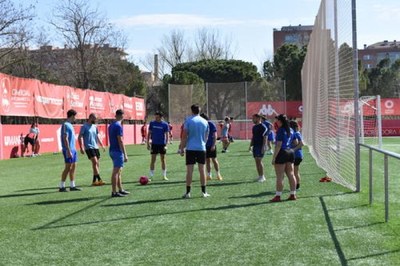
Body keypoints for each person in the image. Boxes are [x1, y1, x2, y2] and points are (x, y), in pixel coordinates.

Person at [179, 104, 210, 198]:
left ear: (191, 111)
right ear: (199, 111)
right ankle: (204, 192)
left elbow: (184, 136)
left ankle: (188, 193)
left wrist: (182, 148)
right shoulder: (205, 121)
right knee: (202, 170)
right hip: (201, 148)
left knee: (189, 171)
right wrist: (202, 143)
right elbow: (206, 136)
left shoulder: (188, 120)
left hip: (191, 148)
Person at [270, 114, 296, 202]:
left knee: (280, 176)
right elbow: (295, 142)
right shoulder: (291, 129)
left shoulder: (280, 130)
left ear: (280, 121)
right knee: (291, 174)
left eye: (277, 120)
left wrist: (274, 158)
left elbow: (279, 145)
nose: (276, 121)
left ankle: (278, 196)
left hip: (282, 153)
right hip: (290, 152)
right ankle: (293, 194)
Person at [78, 113, 106, 186]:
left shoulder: (94, 126)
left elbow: (97, 136)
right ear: (90, 117)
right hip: (89, 147)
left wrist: (102, 144)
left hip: (95, 147)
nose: (95, 120)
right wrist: (81, 147)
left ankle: (94, 180)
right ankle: (99, 179)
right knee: (95, 162)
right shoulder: (84, 126)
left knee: (97, 163)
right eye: (94, 118)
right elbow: (80, 137)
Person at [108, 109, 129, 197]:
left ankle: (120, 189)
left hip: (112, 150)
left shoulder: (111, 125)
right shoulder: (118, 126)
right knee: (116, 172)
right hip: (117, 151)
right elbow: (120, 140)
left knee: (119, 171)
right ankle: (114, 192)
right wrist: (125, 154)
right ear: (122, 116)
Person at [59, 109, 81, 192]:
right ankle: (61, 186)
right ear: (72, 116)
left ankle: (72, 185)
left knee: (73, 167)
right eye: (75, 116)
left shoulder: (70, 125)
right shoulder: (65, 125)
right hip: (68, 149)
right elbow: (65, 138)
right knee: (68, 167)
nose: (76, 118)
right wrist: (68, 150)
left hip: (73, 149)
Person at [147, 111, 169, 181]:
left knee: (163, 160)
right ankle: (151, 176)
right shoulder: (152, 123)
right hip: (154, 144)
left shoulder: (165, 124)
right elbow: (149, 133)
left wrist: (166, 144)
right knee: (153, 160)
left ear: (161, 117)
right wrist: (148, 143)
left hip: (162, 144)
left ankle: (164, 176)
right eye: (155, 117)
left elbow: (167, 135)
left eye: (157, 117)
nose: (156, 118)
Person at [200, 113, 223, 181]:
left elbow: (215, 135)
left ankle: (218, 174)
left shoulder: (211, 124)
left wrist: (213, 145)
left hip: (211, 145)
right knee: (207, 160)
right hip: (204, 145)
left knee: (214, 159)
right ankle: (209, 175)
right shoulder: (201, 124)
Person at [248, 114, 268, 183]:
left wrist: (264, 147)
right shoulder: (254, 127)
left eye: (253, 118)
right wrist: (250, 146)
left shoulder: (263, 127)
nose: (252, 120)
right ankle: (260, 176)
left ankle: (263, 176)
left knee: (259, 160)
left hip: (260, 146)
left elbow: (265, 137)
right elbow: (253, 137)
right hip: (255, 146)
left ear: (258, 118)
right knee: (256, 161)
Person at [290, 120, 304, 190]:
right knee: (295, 171)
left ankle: (296, 186)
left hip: (296, 155)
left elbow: (300, 143)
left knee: (294, 171)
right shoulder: (297, 132)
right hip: (298, 155)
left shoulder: (295, 133)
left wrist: (293, 149)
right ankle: (297, 185)